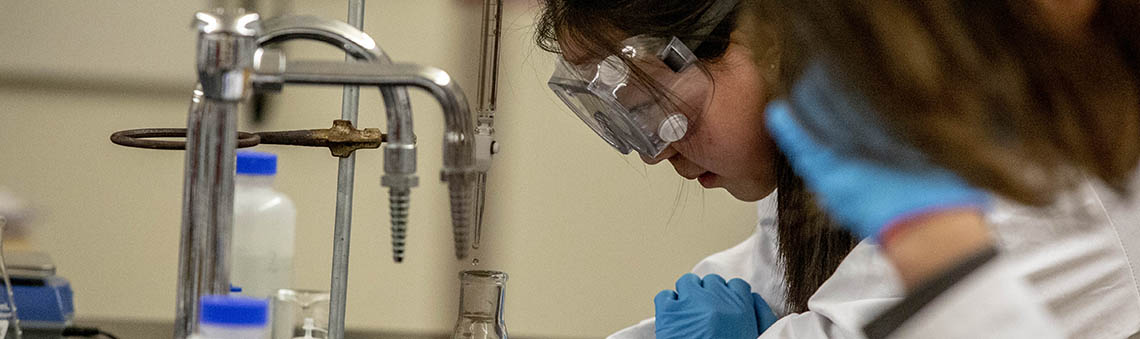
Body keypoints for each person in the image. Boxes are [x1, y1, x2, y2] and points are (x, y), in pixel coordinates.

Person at [535, 0, 1140, 338]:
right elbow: (759, 281)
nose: (658, 150)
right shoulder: (832, 172)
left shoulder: (1036, 179)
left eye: (656, 109)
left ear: (767, 33)